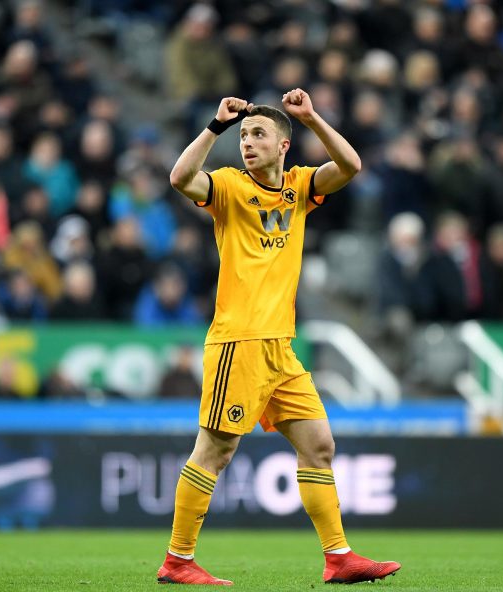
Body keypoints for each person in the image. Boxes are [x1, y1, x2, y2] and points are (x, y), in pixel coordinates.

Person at [158, 90, 401, 586]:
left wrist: (311, 117)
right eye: (244, 135)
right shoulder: (226, 187)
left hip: (281, 348)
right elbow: (180, 178)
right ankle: (177, 561)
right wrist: (215, 126)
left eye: (257, 134)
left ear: (284, 145)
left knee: (319, 445)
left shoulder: (299, 188)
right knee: (215, 451)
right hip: (239, 341)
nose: (247, 142)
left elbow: (350, 165)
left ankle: (338, 557)